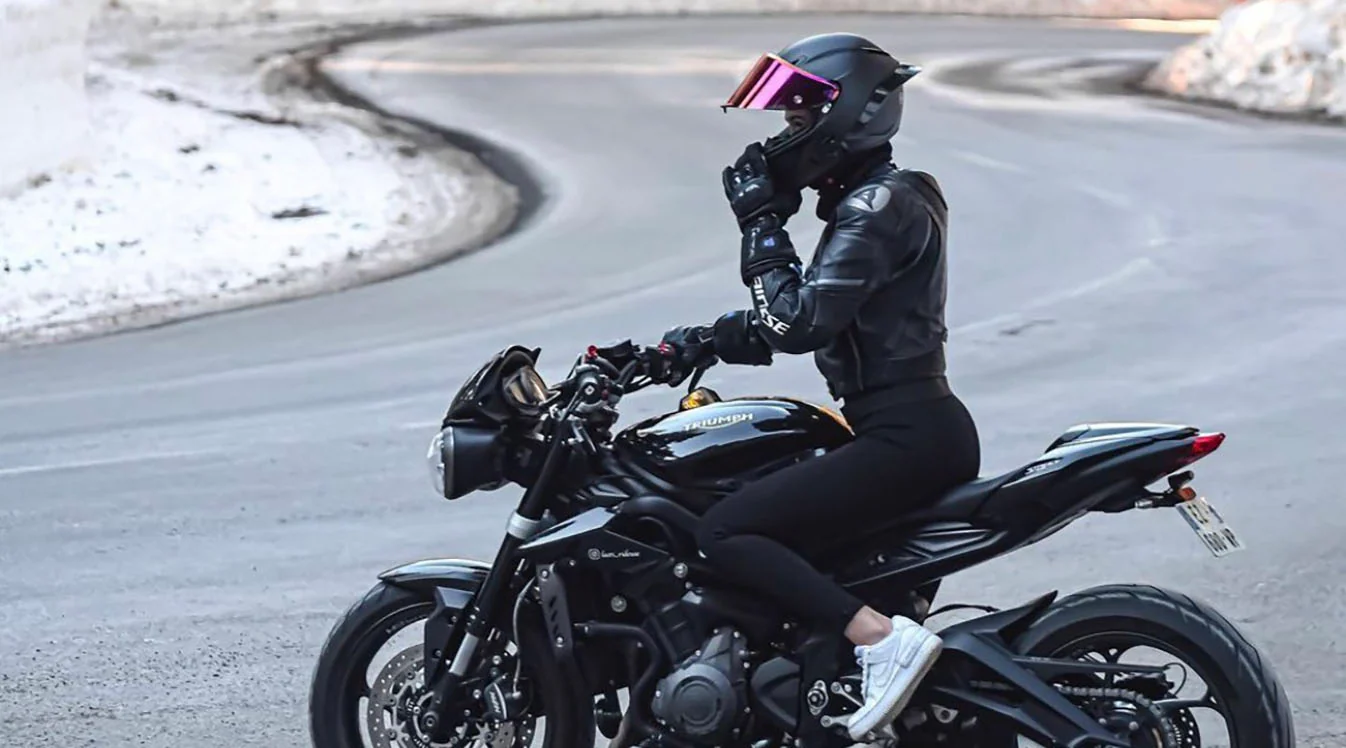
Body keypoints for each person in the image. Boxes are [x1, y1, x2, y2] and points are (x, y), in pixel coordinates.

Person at [658, 33, 982, 741]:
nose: (784, 137)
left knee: (724, 530)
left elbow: (799, 320)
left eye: (798, 120)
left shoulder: (876, 207)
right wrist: (694, 343)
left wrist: (761, 223)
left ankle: (879, 640)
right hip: (911, 430)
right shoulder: (875, 202)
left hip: (908, 437)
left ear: (851, 117)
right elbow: (807, 317)